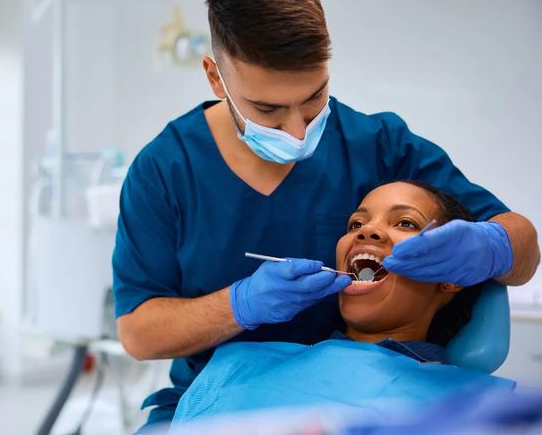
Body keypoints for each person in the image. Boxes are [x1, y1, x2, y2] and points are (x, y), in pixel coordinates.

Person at [113, 0, 540, 425]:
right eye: (269, 110)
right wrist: (241, 305)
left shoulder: (378, 145)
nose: (297, 132)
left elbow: (522, 247)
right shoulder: (166, 169)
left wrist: (492, 246)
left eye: (314, 98)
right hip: (223, 396)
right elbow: (138, 334)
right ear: (217, 78)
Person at [171, 181, 515, 425]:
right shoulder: (237, 364)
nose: (366, 232)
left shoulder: (485, 409)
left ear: (451, 273)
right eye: (357, 223)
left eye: (405, 223)